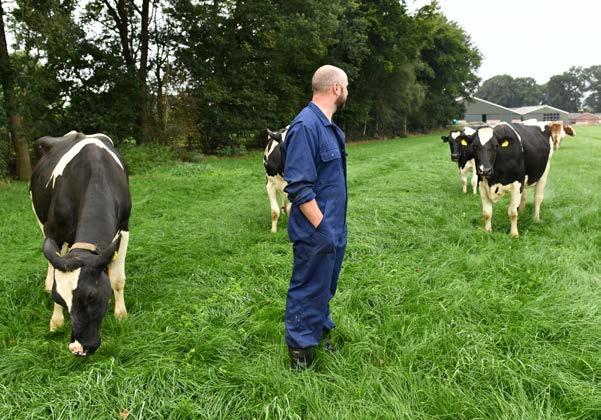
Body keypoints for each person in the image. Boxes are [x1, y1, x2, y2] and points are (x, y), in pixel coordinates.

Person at [282, 65, 349, 370]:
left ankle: (317, 332)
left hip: (333, 226)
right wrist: (321, 226)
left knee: (325, 285)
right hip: (315, 229)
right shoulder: (305, 126)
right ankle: (300, 353)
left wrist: (333, 228)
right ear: (336, 88)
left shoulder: (329, 127)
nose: (347, 92)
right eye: (346, 87)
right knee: (308, 285)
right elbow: (298, 186)